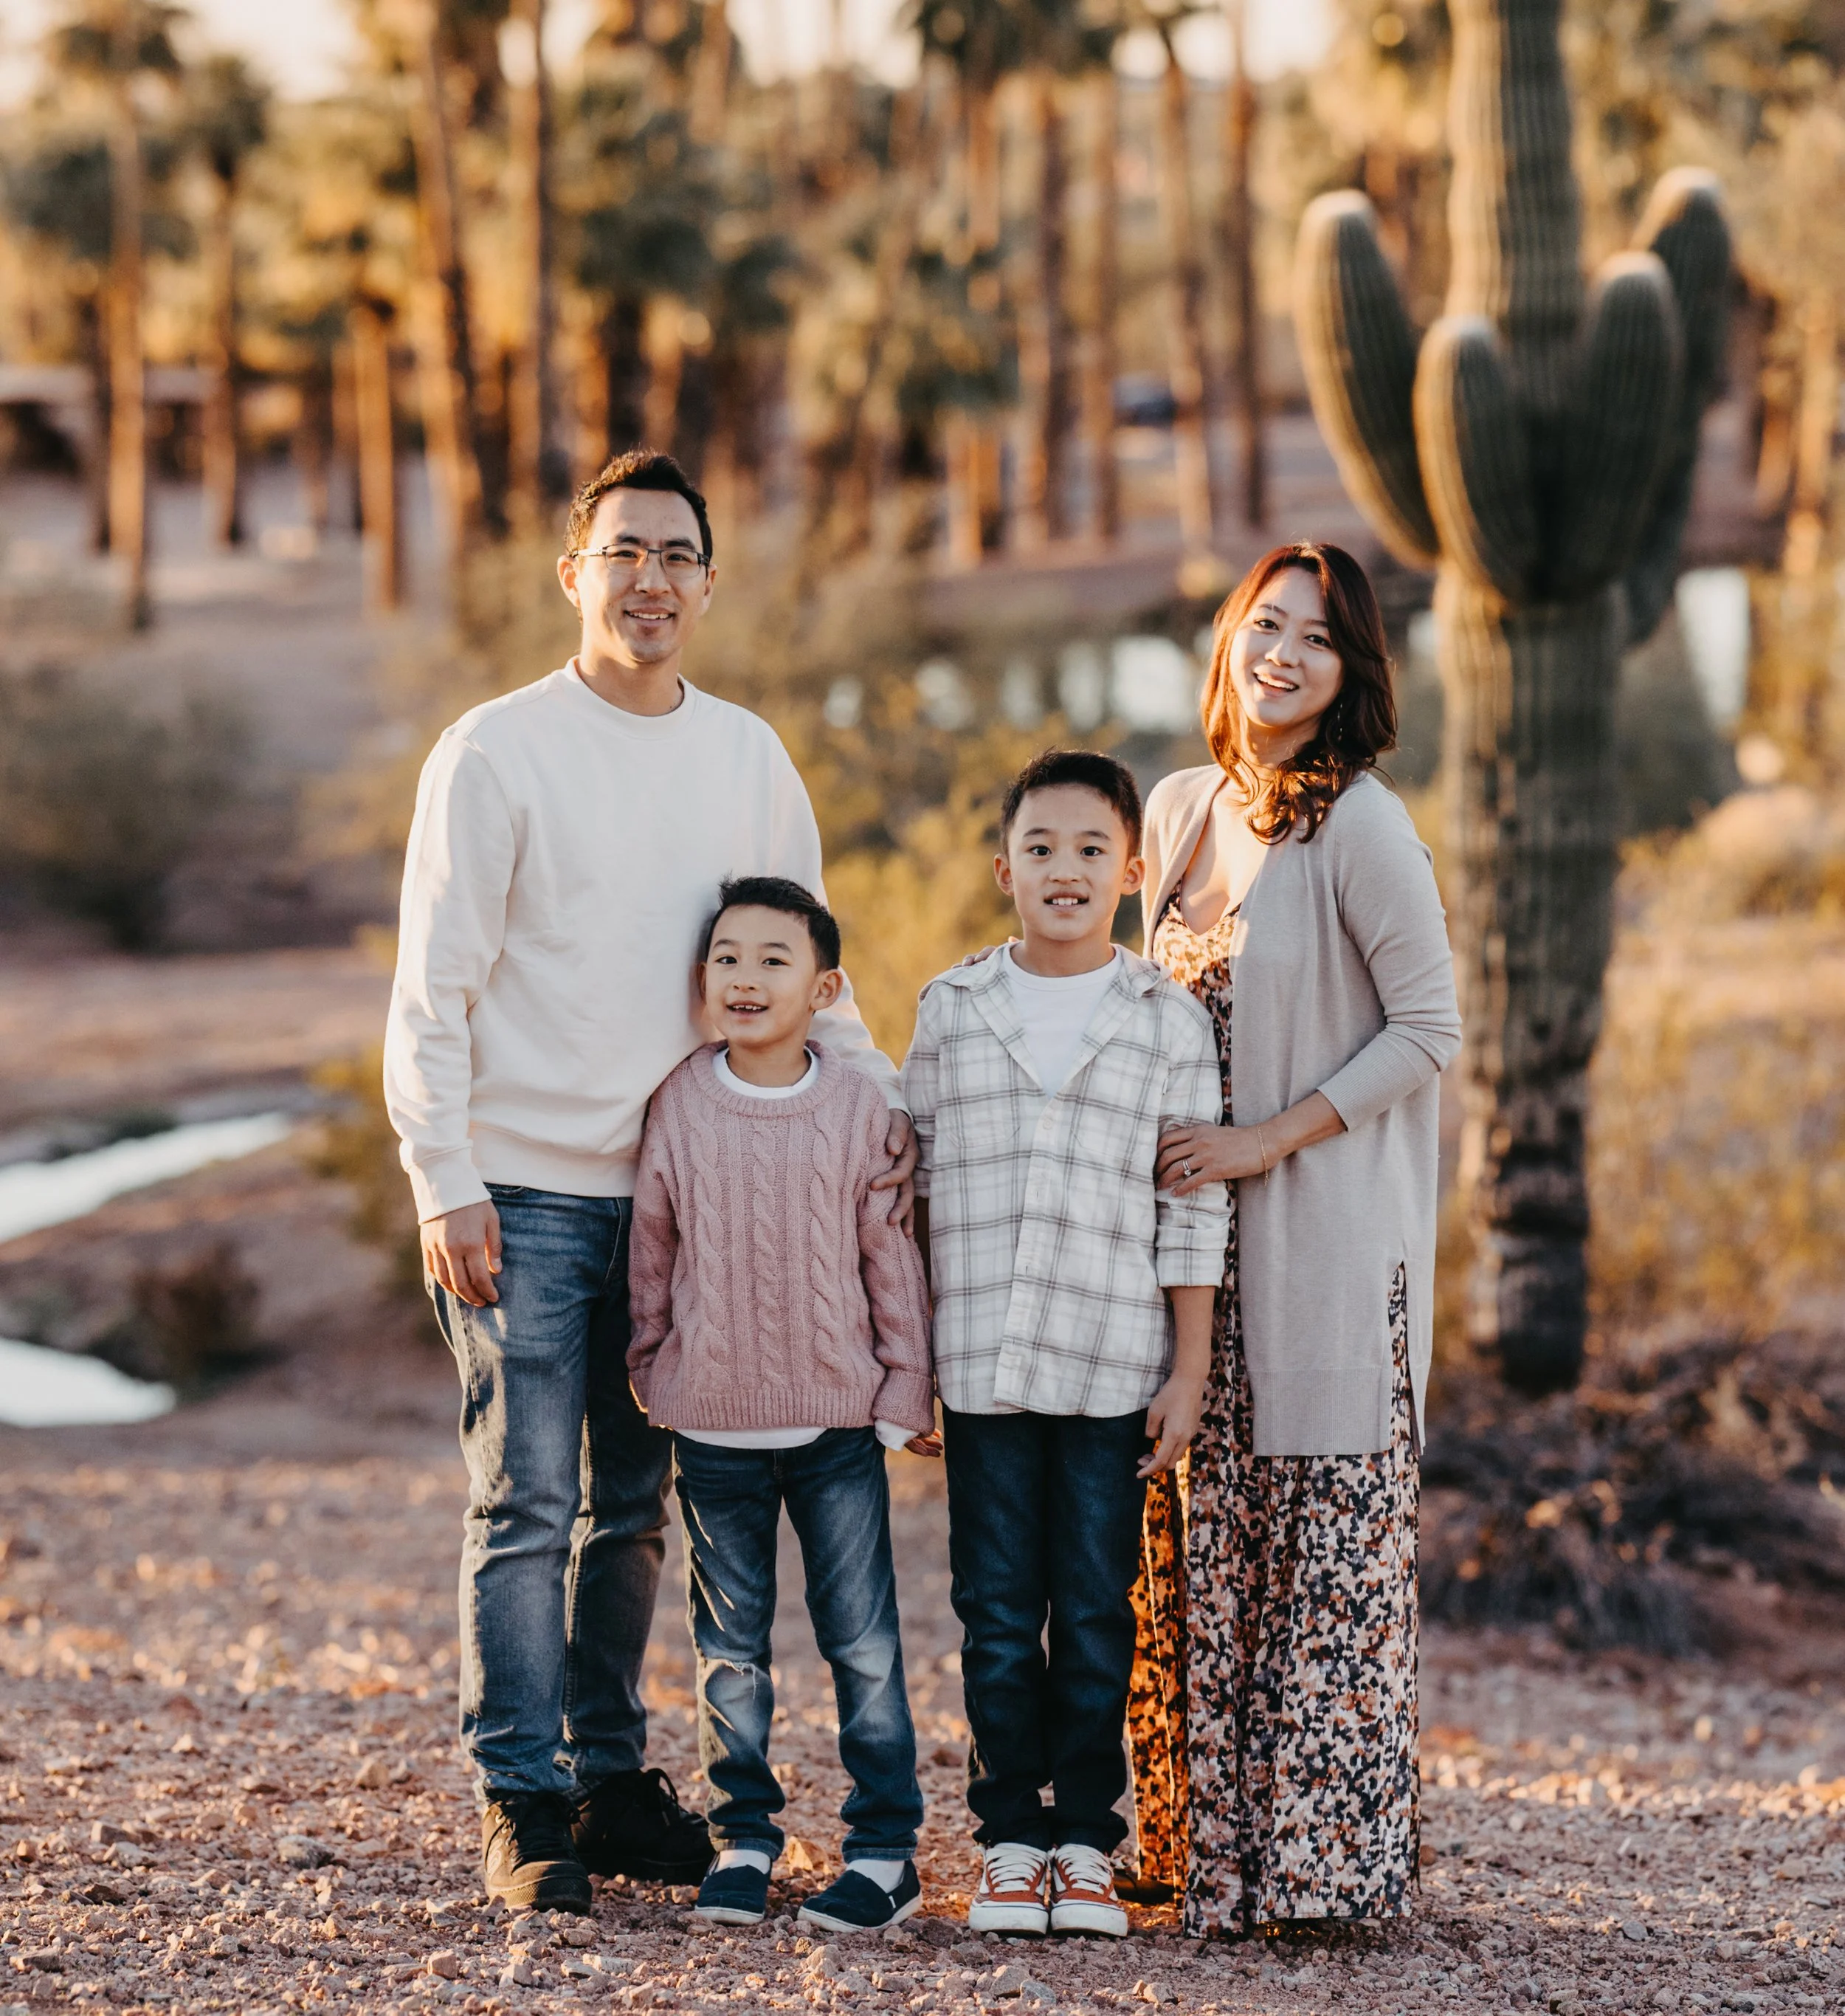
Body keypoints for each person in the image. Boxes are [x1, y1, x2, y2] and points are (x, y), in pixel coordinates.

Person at [383, 450, 916, 1915]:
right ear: (574, 574)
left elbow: (812, 975)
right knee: (526, 1501)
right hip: (528, 1190)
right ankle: (522, 1797)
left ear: (705, 582)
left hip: (697, 1195)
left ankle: (612, 1782)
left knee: (635, 1505)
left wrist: (881, 1116)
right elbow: (431, 995)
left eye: (677, 555)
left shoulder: (745, 757)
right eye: (622, 551)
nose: (649, 579)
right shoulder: (493, 752)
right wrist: (443, 1178)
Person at [1126, 542, 1462, 1936]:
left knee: (1317, 1553)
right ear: (1226, 638)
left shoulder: (1364, 827)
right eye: (1264, 625)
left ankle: (1318, 1880)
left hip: (1322, 1254)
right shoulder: (1179, 811)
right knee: (1200, 1540)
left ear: (1352, 673)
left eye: (1315, 640)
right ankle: (1203, 1857)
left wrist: (1266, 1139)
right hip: (1185, 1266)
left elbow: (1428, 1032)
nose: (1281, 654)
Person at [903, 749, 1230, 1939]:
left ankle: (1087, 1840)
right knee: (996, 1608)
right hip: (983, 1362)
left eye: (1094, 849)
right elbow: (915, 1191)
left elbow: (1195, 1205)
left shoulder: (1165, 1019)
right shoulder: (953, 1007)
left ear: (1131, 870)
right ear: (1004, 869)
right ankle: (1009, 1841)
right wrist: (911, 1359)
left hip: (1111, 1367)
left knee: (1098, 1608)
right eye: (1041, 847)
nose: (1066, 869)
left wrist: (1188, 1370)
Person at [627, 875, 937, 1933]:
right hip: (712, 1428)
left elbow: (889, 1257)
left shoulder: (859, 1109)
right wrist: (652, 1362)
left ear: (825, 986)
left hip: (837, 1427)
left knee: (862, 1641)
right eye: (726, 957)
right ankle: (743, 1836)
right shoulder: (678, 1100)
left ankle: (887, 1849)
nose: (745, 978)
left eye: (773, 959)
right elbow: (653, 1251)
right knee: (731, 1647)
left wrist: (904, 1383)